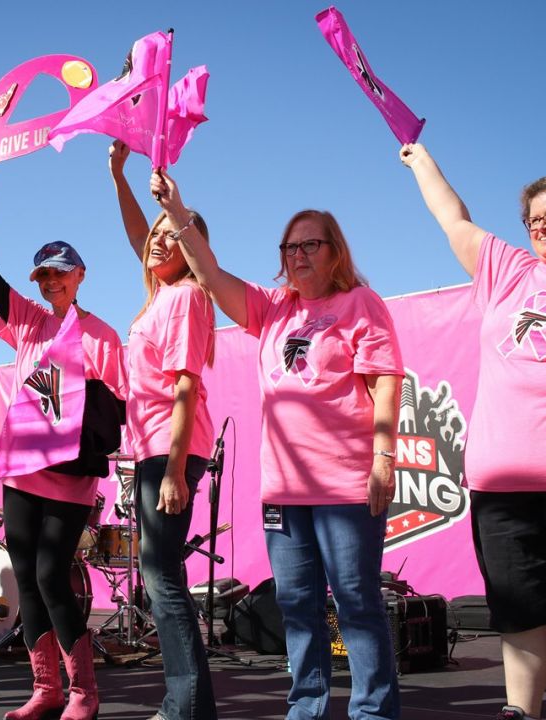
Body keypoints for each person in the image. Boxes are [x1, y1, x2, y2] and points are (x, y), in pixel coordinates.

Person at [151, 170, 403, 720]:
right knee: (296, 605)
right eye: (289, 246)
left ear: (334, 252)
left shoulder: (361, 303)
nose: (297, 254)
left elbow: (386, 382)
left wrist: (385, 458)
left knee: (356, 603)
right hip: (284, 492)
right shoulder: (272, 308)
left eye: (310, 243)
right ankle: (306, 707)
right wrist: (177, 212)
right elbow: (210, 274)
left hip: (344, 485)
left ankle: (373, 712)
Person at [400, 143, 546, 720]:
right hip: (501, 481)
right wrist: (422, 161)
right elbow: (453, 217)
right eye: (534, 218)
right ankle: (521, 710)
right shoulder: (507, 269)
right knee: (520, 608)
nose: (543, 225)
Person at [0, 175, 127, 720]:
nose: (51, 282)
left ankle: (84, 691)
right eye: (43, 275)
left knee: (50, 575)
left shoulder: (101, 334)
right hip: (19, 469)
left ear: (80, 275)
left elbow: (117, 407)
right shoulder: (28, 323)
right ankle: (46, 689)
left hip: (69, 474)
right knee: (23, 577)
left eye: (60, 273)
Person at [109, 141, 218, 719]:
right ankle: (190, 707)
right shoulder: (161, 294)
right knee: (161, 579)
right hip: (152, 451)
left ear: (192, 248)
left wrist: (174, 469)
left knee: (162, 580)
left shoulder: (184, 299)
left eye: (172, 236)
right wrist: (118, 173)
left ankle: (185, 708)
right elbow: (138, 236)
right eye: (156, 234)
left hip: (169, 452)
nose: (157, 240)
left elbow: (185, 388)